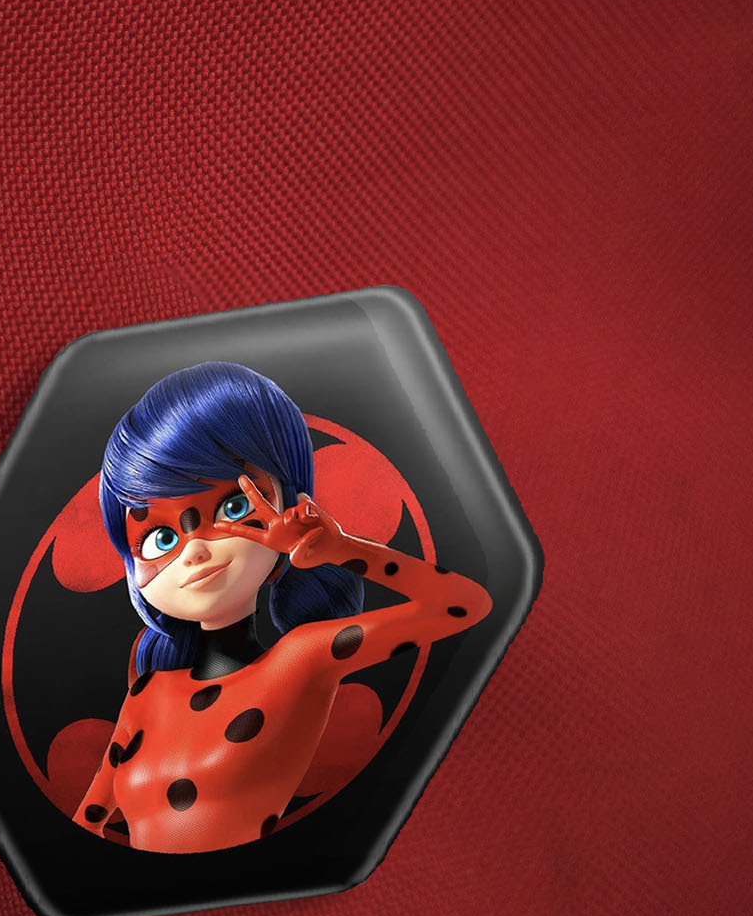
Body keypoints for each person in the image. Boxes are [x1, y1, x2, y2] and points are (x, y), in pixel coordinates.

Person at [76, 361, 491, 853]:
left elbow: (463, 605)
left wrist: (341, 549)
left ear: (289, 502)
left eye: (231, 508)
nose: (194, 551)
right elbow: (87, 822)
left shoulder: (302, 659)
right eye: (160, 538)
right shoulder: (147, 692)